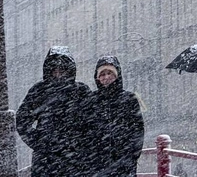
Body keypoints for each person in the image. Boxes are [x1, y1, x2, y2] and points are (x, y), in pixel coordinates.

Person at [15, 46, 92, 177]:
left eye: (62, 69)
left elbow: (93, 121)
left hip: (75, 161)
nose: (58, 73)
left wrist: (82, 144)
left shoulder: (81, 91)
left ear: (69, 69)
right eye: (55, 69)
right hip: (46, 162)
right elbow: (22, 120)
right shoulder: (39, 90)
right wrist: (39, 142)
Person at [87, 55, 145, 177]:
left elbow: (137, 130)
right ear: (97, 78)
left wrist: (131, 156)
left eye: (110, 73)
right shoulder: (91, 100)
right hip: (96, 164)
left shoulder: (129, 99)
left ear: (117, 75)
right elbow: (84, 131)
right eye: (102, 74)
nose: (106, 77)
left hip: (123, 164)